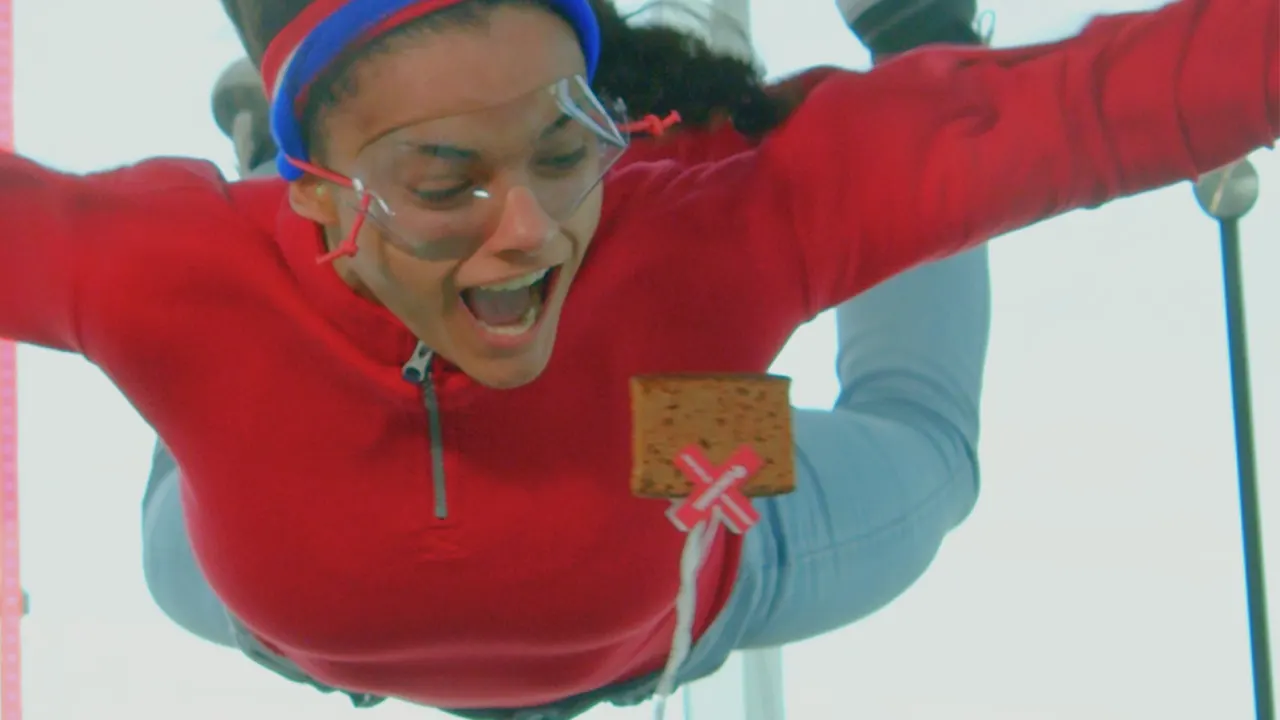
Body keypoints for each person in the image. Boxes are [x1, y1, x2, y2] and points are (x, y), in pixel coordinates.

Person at [1, 0, 1273, 718]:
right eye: (447, 181)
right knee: (214, 360)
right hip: (324, 572)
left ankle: (908, 27)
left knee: (914, 458)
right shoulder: (181, 267)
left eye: (563, 155)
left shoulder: (700, 234)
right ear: (322, 196)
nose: (531, 231)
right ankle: (286, 144)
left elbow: (1077, 112)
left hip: (675, 519)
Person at [142, 0, 992, 702]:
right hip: (652, 457)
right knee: (921, 442)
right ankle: (919, 31)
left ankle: (280, 160)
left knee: (241, 336)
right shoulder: (641, 129)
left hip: (348, 538)